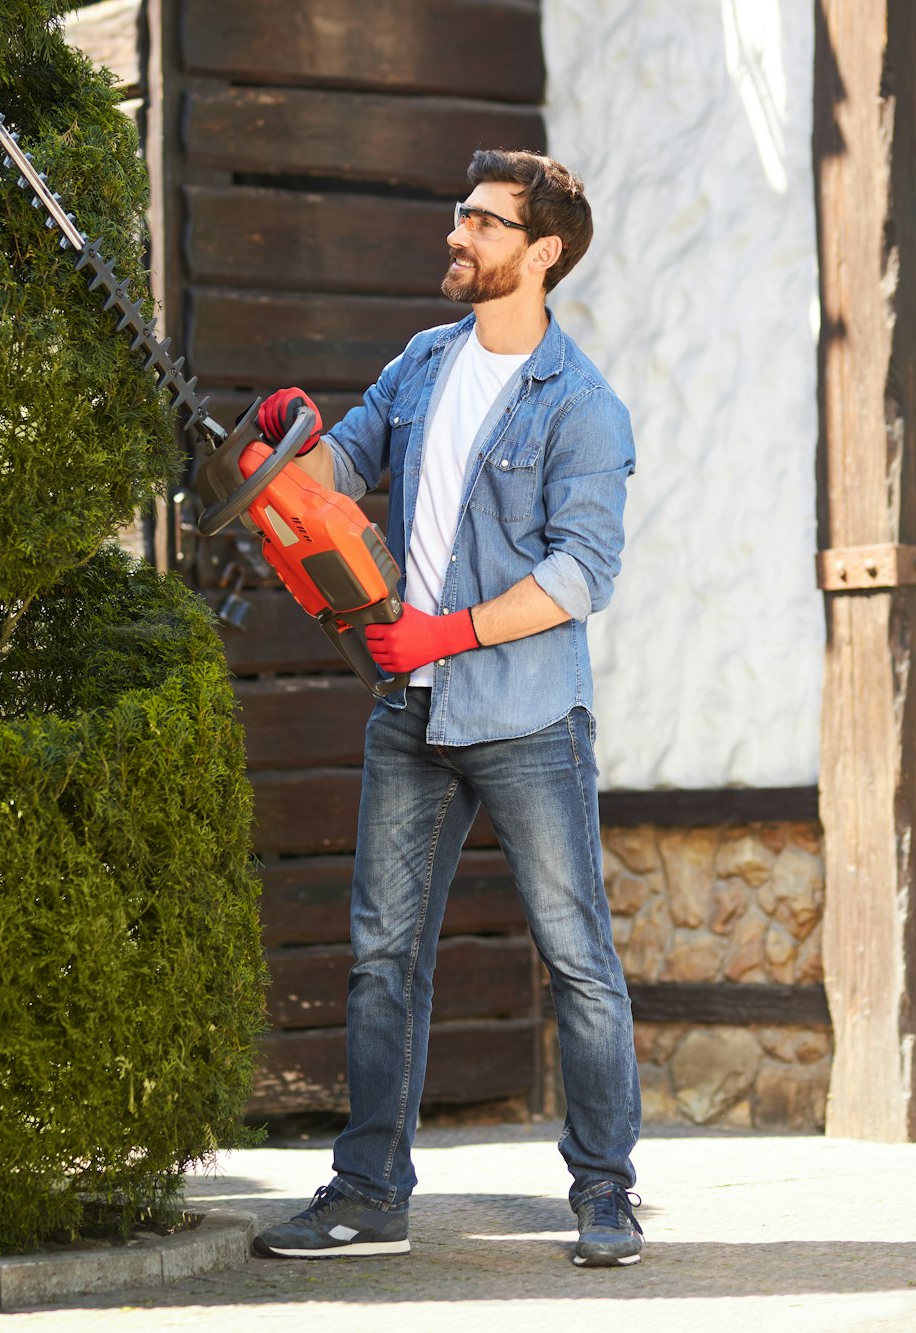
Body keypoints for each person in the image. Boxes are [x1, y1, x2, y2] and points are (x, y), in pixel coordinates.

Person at [247, 149, 643, 1268]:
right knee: (382, 959)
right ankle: (368, 1192)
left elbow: (581, 574)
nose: (456, 235)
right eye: (458, 215)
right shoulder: (422, 363)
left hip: (524, 716)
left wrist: (448, 631)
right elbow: (336, 468)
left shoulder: (582, 405)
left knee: (576, 960)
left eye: (482, 221)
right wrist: (292, 433)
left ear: (542, 252)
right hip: (408, 716)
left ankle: (605, 1193)